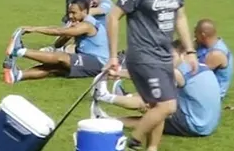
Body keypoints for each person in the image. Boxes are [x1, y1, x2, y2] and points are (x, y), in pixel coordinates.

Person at [104, 0, 198, 151]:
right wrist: (113, 56)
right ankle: (130, 145)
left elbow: (180, 17)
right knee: (168, 106)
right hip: (144, 57)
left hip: (164, 56)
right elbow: (113, 16)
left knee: (158, 106)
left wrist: (189, 50)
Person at [92, 41, 222, 140]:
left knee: (154, 110)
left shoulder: (180, 72)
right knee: (155, 97)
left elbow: (148, 76)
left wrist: (118, 73)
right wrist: (119, 74)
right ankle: (106, 115)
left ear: (182, 55)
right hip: (207, 122)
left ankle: (104, 101)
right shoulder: (200, 66)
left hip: (195, 125)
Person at [2, 0, 108, 84]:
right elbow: (58, 44)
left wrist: (33, 29)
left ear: (84, 12)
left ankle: (18, 51)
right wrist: (67, 34)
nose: (70, 16)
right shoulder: (79, 23)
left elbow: (58, 31)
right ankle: (17, 75)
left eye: (74, 13)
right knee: (53, 68)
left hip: (98, 62)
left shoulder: (87, 25)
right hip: (89, 59)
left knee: (61, 57)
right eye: (69, 13)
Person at [194, 19, 234, 99]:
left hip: (211, 96)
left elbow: (195, 76)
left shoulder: (216, 54)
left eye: (196, 33)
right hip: (203, 89)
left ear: (203, 35)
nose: (194, 36)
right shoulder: (206, 44)